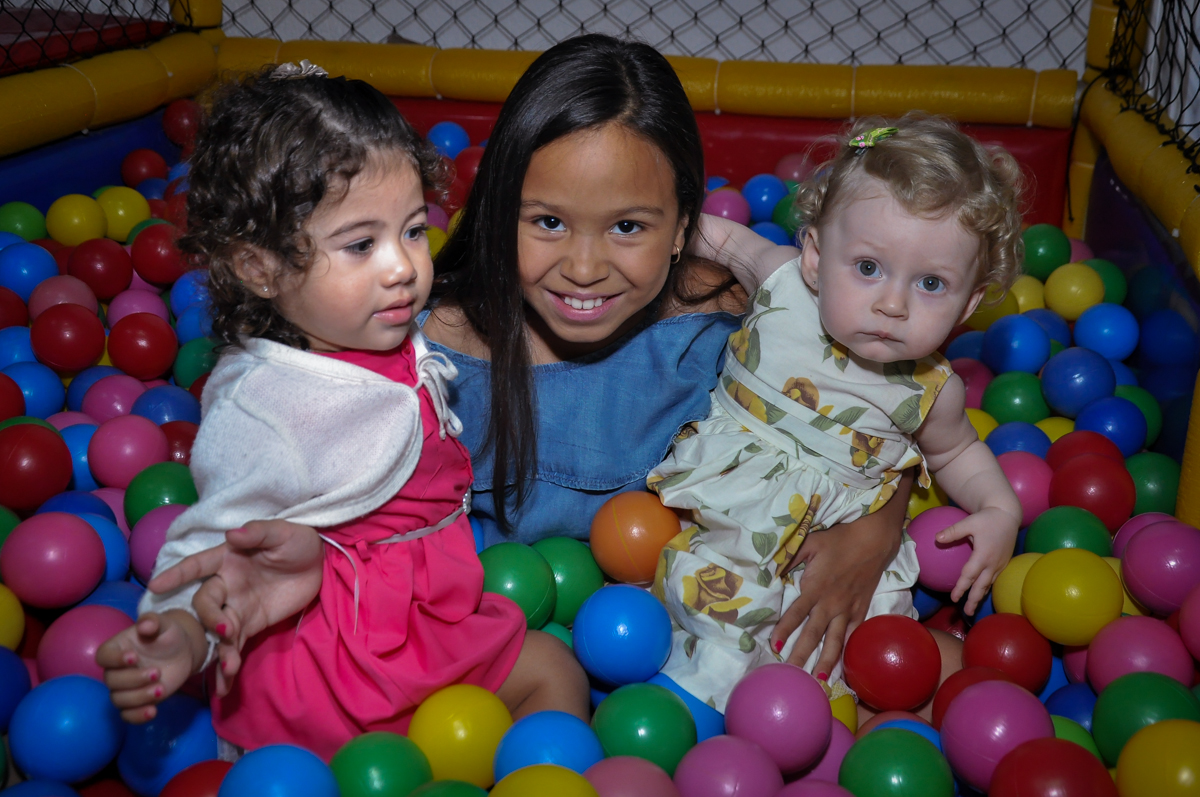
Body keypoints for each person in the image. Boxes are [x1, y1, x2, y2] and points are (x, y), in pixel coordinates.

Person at [147, 35, 916, 699]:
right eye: (548, 221)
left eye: (627, 226)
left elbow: (877, 412)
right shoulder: (422, 352)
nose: (583, 266)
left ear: (683, 227)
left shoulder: (725, 331)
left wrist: (875, 527)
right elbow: (290, 461)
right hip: (482, 661)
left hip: (697, 655)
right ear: (498, 212)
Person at [95, 63, 587, 762]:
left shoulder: (369, 329)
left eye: (411, 231)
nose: (401, 267)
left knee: (553, 671)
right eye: (360, 245)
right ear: (260, 268)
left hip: (423, 614)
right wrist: (181, 630)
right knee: (543, 676)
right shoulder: (271, 406)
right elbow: (214, 545)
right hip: (347, 661)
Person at [648, 116, 1024, 712]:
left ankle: (834, 721)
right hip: (730, 517)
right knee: (711, 633)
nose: (893, 304)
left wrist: (1000, 509)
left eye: (931, 283)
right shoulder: (780, 283)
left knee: (867, 657)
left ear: (968, 303)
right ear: (815, 257)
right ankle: (702, 709)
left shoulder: (933, 389)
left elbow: (958, 452)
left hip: (841, 547)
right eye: (868, 268)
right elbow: (716, 236)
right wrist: (649, 223)